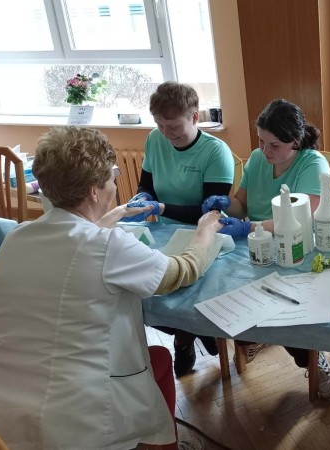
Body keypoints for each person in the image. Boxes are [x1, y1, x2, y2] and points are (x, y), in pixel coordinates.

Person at [0, 126, 225, 449]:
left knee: (157, 359)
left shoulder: (16, 238)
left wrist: (113, 215)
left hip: (3, 412)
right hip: (76, 420)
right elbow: (181, 271)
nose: (115, 185)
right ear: (93, 192)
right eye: (112, 178)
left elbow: (74, 240)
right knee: (150, 368)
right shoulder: (107, 246)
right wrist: (205, 231)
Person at [201, 99, 330, 399]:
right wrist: (225, 203)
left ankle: (312, 358)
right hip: (256, 244)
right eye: (261, 141)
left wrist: (249, 227)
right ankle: (251, 337)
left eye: (274, 145)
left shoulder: (311, 163)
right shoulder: (256, 159)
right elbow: (241, 204)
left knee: (290, 312)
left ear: (295, 140)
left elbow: (300, 218)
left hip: (298, 249)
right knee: (221, 291)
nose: (265, 151)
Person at [124, 81, 236, 377]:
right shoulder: (155, 139)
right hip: (163, 233)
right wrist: (143, 198)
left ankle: (184, 338)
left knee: (183, 294)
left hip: (204, 235)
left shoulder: (215, 152)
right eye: (160, 125)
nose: (166, 133)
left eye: (173, 126)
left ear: (194, 117)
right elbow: (146, 185)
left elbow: (208, 213)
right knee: (144, 294)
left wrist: (160, 208)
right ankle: (193, 332)